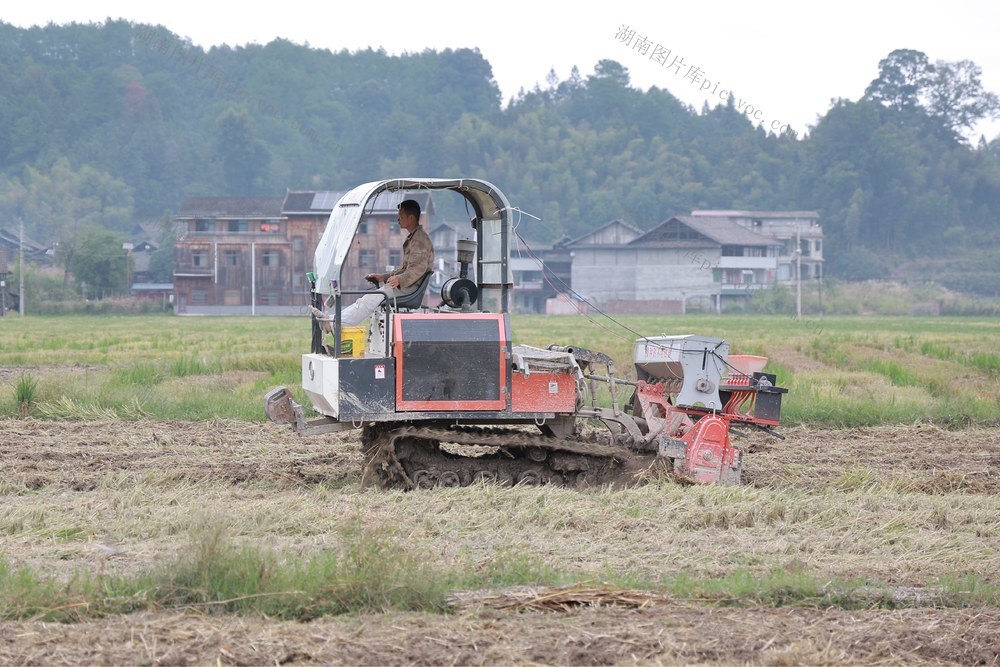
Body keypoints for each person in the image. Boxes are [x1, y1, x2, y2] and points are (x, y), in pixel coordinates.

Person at [312, 198, 434, 330]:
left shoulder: (420, 241)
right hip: (407, 285)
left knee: (369, 300)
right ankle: (332, 320)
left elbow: (417, 269)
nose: (398, 219)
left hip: (410, 287)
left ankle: (332, 323)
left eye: (401, 216)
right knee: (367, 299)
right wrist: (383, 277)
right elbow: (405, 269)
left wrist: (399, 279)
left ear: (411, 218)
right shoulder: (414, 238)